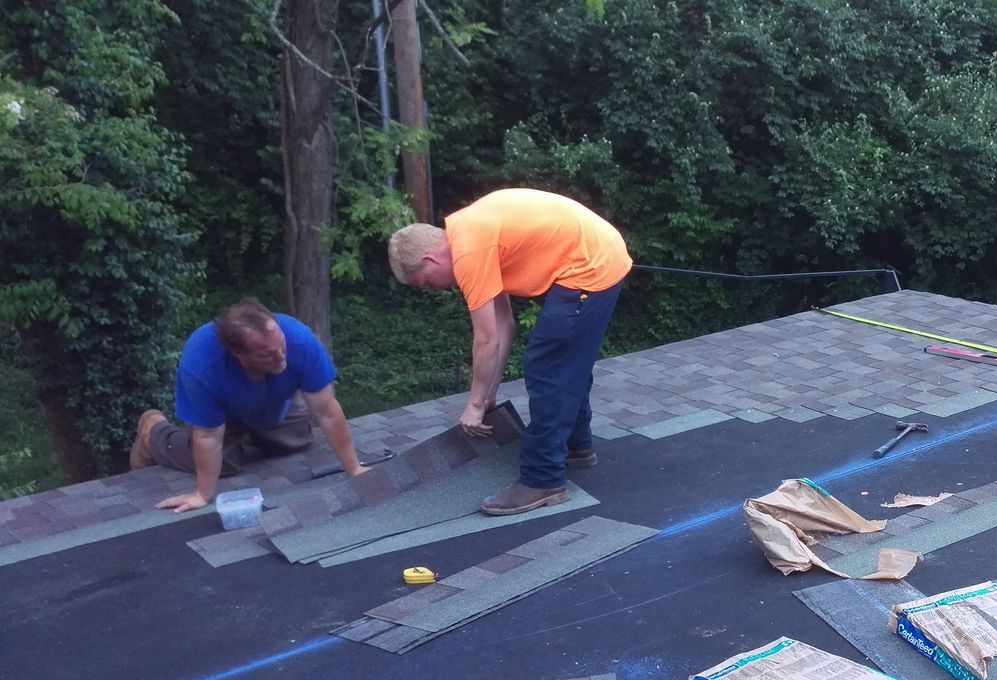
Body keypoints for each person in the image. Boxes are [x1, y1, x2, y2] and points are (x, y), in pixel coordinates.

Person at [386, 188, 631, 515]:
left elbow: (486, 339)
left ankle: (543, 478)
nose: (435, 289)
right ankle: (576, 446)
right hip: (598, 253)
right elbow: (503, 326)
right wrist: (488, 395)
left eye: (427, 282)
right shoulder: (468, 233)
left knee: (549, 369)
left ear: (430, 259)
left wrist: (475, 405)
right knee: (565, 362)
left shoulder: (469, 252)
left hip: (591, 265)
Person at [130, 299, 366, 512]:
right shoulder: (202, 365)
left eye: (282, 346)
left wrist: (354, 469)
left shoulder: (300, 339)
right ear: (238, 354)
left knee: (295, 441)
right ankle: (154, 433)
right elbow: (208, 436)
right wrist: (202, 495)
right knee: (224, 465)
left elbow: (327, 411)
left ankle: (251, 435)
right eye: (266, 355)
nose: (281, 358)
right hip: (223, 414)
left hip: (273, 403)